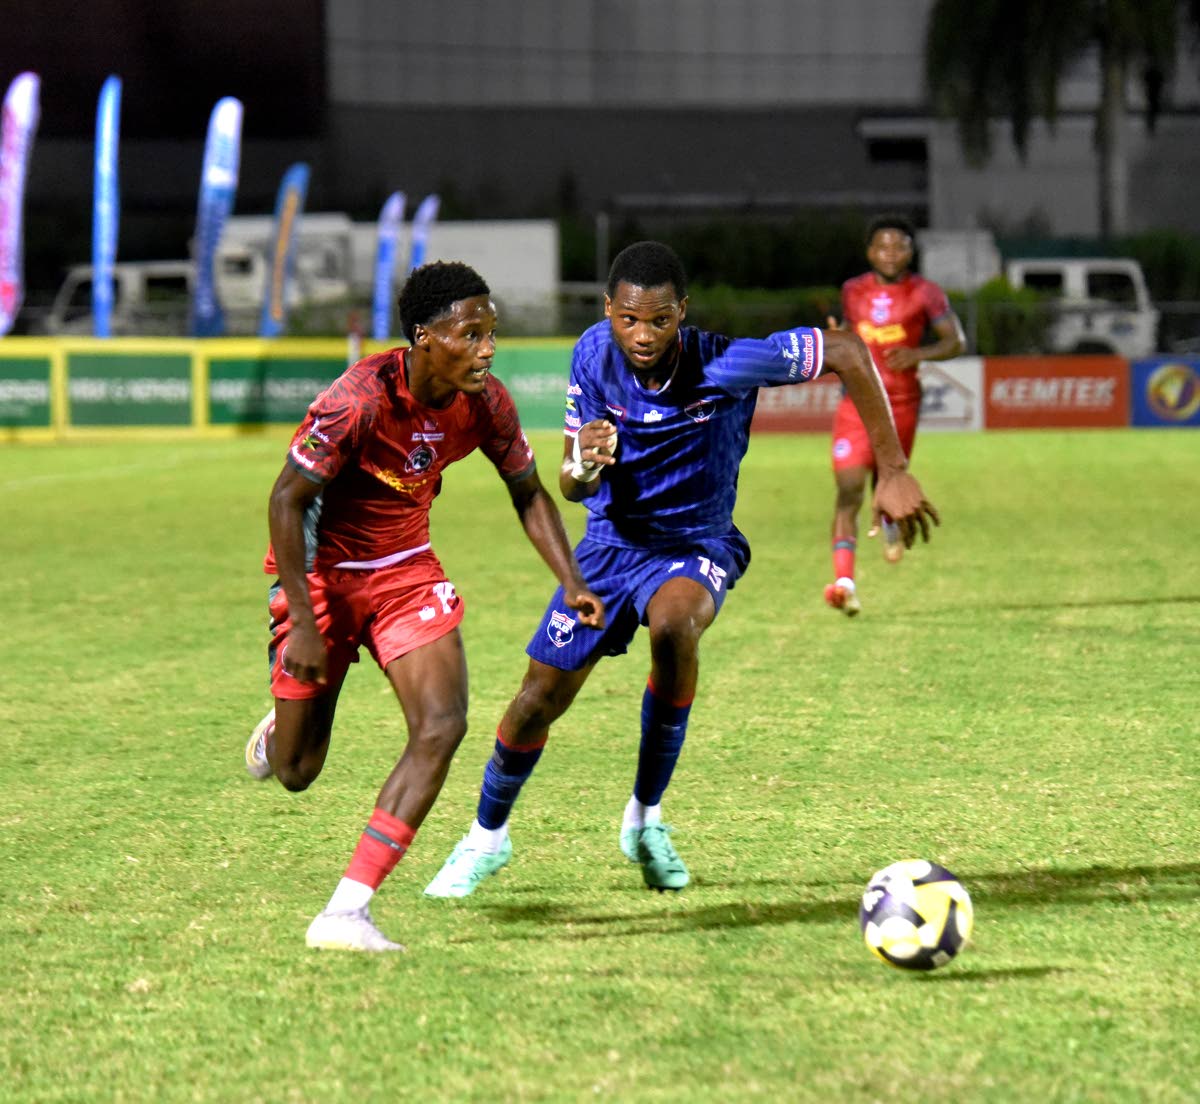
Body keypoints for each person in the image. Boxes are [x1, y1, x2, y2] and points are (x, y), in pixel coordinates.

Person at [422, 240, 938, 899]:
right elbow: (571, 488)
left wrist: (891, 469)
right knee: (537, 699)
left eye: (660, 320)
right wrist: (584, 461)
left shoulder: (726, 362)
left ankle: (645, 819)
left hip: (698, 542)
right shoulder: (590, 354)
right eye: (629, 319)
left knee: (673, 629)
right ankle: (486, 838)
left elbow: (844, 351)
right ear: (608, 310)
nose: (643, 335)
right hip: (609, 547)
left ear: (682, 313)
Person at [244, 260, 603, 952]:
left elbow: (528, 489)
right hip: (323, 577)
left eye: (491, 333)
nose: (487, 349)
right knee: (296, 772)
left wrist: (573, 582)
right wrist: (306, 620)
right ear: (424, 338)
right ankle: (279, 728)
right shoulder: (358, 400)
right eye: (471, 334)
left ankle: (345, 913)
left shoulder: (486, 402)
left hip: (407, 571)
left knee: (442, 724)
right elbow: (286, 500)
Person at [824, 214, 965, 616]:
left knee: (888, 482)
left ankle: (888, 522)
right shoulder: (853, 290)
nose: (890, 253)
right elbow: (848, 333)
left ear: (910, 251)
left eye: (899, 246)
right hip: (855, 403)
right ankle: (844, 582)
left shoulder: (926, 293)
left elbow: (956, 342)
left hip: (900, 403)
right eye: (882, 246)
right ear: (870, 252)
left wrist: (918, 353)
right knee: (849, 489)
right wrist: (836, 333)